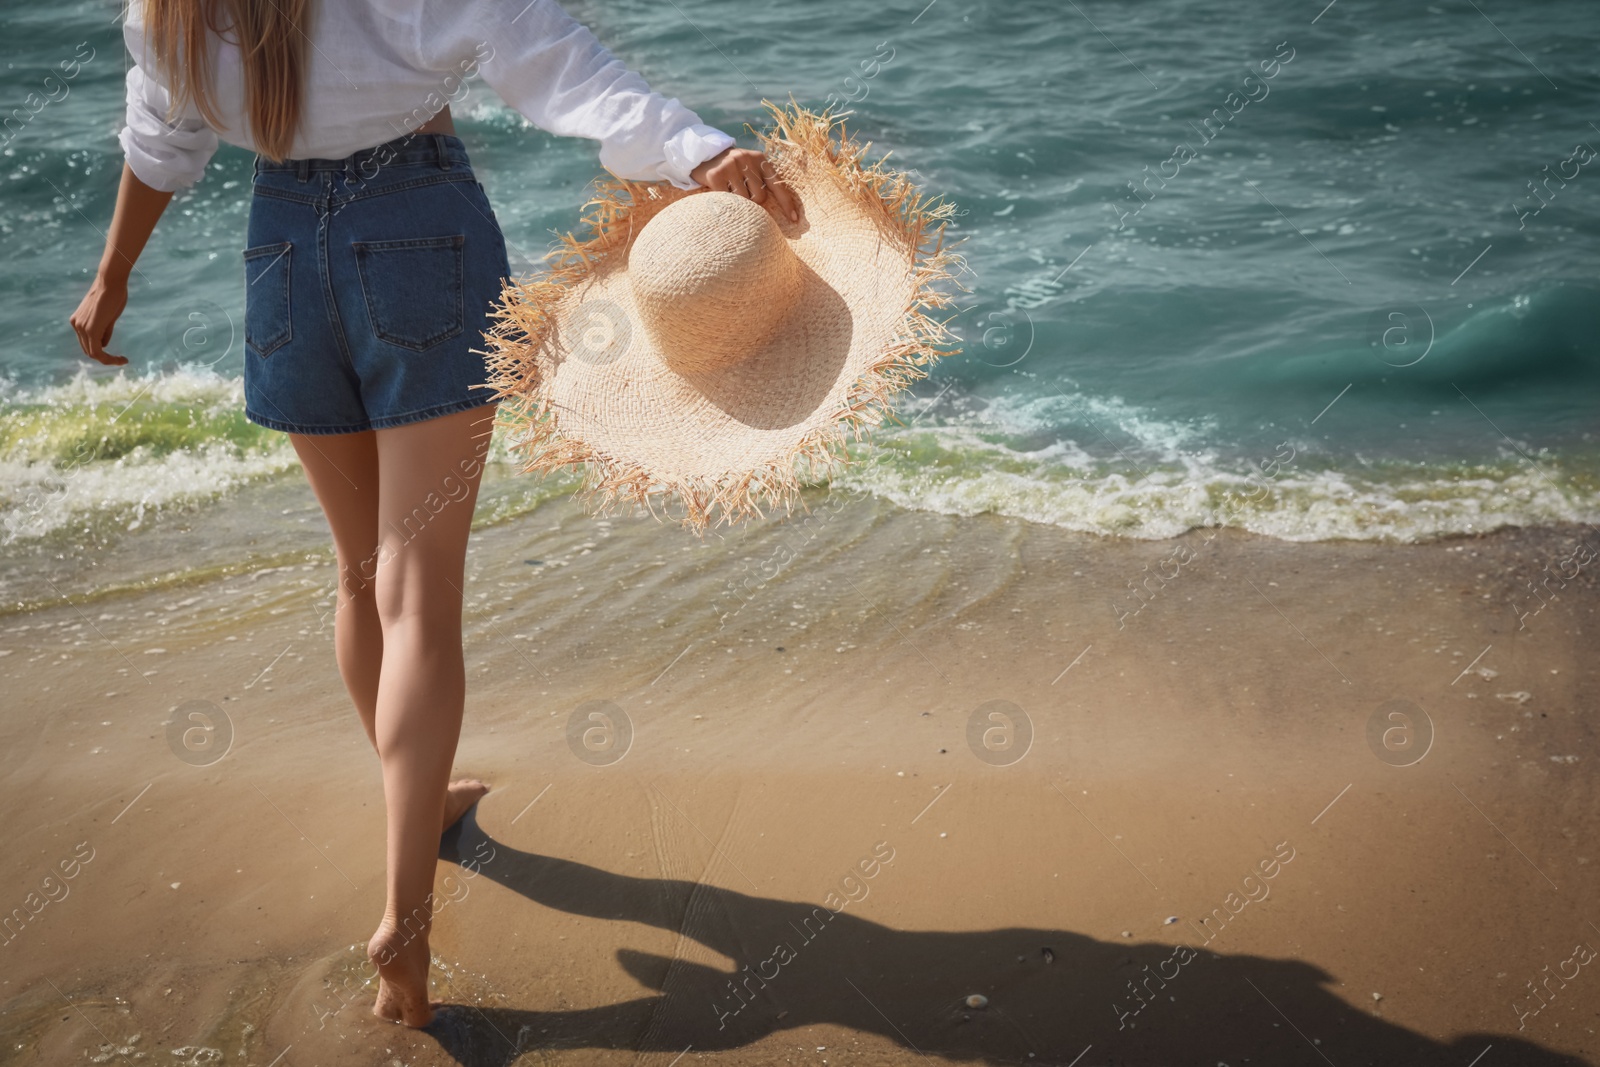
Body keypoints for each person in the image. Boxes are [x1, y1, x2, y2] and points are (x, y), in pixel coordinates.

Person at [69, 0, 798, 1029]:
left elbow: (164, 142)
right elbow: (561, 71)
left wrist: (111, 279)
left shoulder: (170, 10)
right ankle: (402, 917)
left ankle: (423, 798)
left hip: (278, 248)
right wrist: (700, 152)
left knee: (361, 576)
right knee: (419, 594)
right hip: (417, 231)